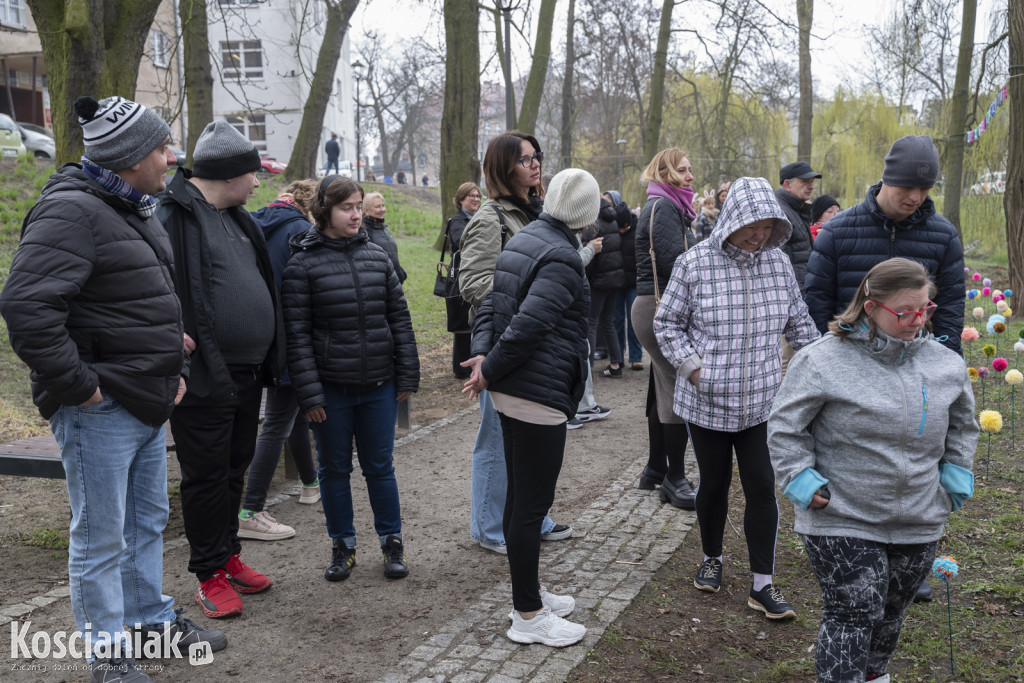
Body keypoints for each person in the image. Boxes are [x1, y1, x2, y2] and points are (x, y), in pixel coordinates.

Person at [0, 95, 225, 680]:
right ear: (128, 157)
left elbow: (130, 298)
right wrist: (82, 389)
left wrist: (170, 352)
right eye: (160, 147)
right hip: (101, 409)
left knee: (145, 523)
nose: (171, 157)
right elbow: (27, 307)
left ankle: (149, 623)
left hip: (145, 401)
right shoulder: (72, 211)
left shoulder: (131, 206)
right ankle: (108, 654)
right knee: (101, 540)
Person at [768, 258, 978, 682]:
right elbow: (785, 428)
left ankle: (874, 676)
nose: (917, 321)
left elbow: (963, 424)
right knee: (853, 609)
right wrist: (801, 481)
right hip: (842, 512)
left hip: (919, 514)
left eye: (926, 310)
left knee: (891, 611)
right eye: (905, 312)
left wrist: (955, 474)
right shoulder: (821, 361)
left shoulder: (945, 364)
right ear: (870, 307)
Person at [653, 176, 820, 620]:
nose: (759, 235)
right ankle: (712, 557)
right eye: (752, 226)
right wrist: (695, 370)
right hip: (708, 402)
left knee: (763, 486)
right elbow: (667, 324)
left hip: (762, 401)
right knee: (714, 483)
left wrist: (822, 360)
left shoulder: (779, 265)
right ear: (732, 220)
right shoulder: (694, 264)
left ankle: (762, 584)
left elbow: (799, 324)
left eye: (768, 227)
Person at [462, 168, 599, 647]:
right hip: (534, 392)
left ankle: (529, 590)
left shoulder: (528, 237)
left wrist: (484, 359)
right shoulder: (561, 256)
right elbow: (526, 326)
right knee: (528, 507)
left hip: (515, 386)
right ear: (588, 213)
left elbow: (490, 310)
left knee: (520, 500)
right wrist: (489, 368)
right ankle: (528, 616)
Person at [157, 120, 284, 619]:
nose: (258, 181)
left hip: (248, 371)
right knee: (206, 475)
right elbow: (161, 292)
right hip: (204, 371)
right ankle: (208, 573)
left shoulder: (239, 217)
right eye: (252, 172)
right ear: (230, 173)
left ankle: (228, 554)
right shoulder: (174, 216)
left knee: (234, 467)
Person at [283, 176, 420, 581]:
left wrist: (407, 374)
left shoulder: (377, 257)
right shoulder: (301, 265)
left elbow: (400, 319)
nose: (357, 214)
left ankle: (391, 542)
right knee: (334, 470)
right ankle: (342, 545)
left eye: (359, 205)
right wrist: (310, 396)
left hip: (379, 387)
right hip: (330, 392)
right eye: (347, 207)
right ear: (325, 211)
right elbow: (297, 337)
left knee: (381, 467)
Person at [458, 131, 572, 553]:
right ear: (504, 167)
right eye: (525, 159)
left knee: (531, 438)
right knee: (496, 438)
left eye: (536, 156)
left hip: (535, 343)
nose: (535, 164)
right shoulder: (490, 219)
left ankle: (531, 516)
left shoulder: (538, 212)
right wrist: (528, 297)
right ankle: (489, 528)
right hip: (501, 344)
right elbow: (472, 284)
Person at [805, 135, 966, 358]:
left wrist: (947, 361)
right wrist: (827, 358)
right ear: (888, 178)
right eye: (907, 187)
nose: (915, 197)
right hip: (850, 359)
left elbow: (950, 306)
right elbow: (818, 302)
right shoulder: (836, 232)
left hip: (915, 360)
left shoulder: (944, 236)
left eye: (925, 188)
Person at [237, 180, 323, 542]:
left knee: (293, 410)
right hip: (293, 337)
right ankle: (250, 509)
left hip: (264, 333)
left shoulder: (257, 222)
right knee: (277, 421)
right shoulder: (300, 229)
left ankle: (308, 483)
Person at [632, 147, 698, 509]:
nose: (690, 177)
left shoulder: (665, 205)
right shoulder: (666, 207)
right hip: (658, 309)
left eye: (689, 170)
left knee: (661, 386)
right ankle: (675, 478)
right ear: (666, 172)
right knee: (677, 387)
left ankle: (656, 468)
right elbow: (677, 263)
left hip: (652, 307)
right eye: (683, 170)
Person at [581, 196, 625, 378]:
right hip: (614, 278)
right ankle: (616, 364)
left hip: (599, 280)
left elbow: (591, 256)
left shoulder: (594, 225)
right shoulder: (613, 221)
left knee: (591, 322)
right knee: (608, 322)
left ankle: (588, 367)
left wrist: (587, 278)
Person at [446, 182, 483, 379]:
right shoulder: (458, 220)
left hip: (477, 275)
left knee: (475, 321)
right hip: (462, 278)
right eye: (471, 196)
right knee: (462, 324)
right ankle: (461, 368)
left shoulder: (479, 218)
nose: (476, 199)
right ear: (461, 199)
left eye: (478, 195)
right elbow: (462, 242)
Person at [605, 190, 643, 372]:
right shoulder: (612, 231)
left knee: (633, 319)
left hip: (633, 282)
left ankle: (636, 357)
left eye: (624, 227)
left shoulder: (637, 232)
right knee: (617, 319)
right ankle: (618, 356)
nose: (621, 231)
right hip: (617, 283)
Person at [775, 161, 821, 289]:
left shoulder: (796, 209)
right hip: (793, 293)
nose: (811, 186)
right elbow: (779, 264)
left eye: (812, 182)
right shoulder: (780, 212)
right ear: (787, 184)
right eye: (805, 182)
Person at [362, 191, 408, 283]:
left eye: (383, 205)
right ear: (366, 210)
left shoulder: (381, 227)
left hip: (394, 281)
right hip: (380, 282)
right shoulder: (364, 231)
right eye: (377, 206)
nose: (382, 209)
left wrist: (400, 272)